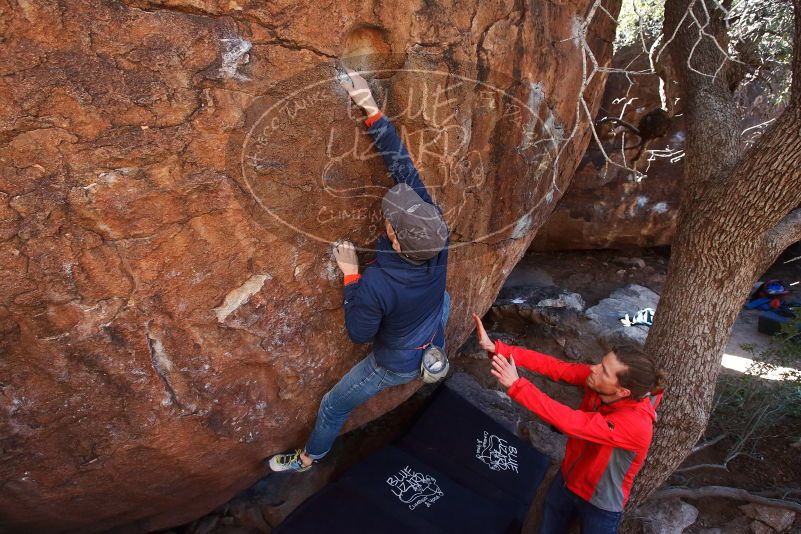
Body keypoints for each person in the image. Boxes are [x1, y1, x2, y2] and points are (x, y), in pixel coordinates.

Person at [268, 68, 450, 473]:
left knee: (333, 405)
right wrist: (369, 107)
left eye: (392, 221)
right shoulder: (435, 233)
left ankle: (307, 458)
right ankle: (435, 352)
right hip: (428, 323)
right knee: (444, 299)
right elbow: (404, 169)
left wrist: (351, 275)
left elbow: (360, 334)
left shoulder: (377, 283)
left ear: (398, 242)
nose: (392, 212)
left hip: (395, 361)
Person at [472, 313, 667, 534]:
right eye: (601, 363)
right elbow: (557, 367)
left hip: (600, 504)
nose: (593, 369)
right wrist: (499, 349)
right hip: (568, 479)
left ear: (623, 391)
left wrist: (517, 385)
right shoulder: (600, 383)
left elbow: (571, 422)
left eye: (604, 370)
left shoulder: (635, 425)